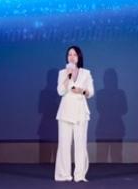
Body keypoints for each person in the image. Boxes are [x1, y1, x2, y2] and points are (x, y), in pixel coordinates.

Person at [54, 45, 95, 182]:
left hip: (80, 112)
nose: (71, 57)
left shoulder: (86, 73)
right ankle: (64, 174)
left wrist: (81, 91)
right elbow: (60, 91)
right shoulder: (62, 73)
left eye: (74, 54)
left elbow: (91, 92)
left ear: (79, 57)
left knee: (80, 144)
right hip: (65, 112)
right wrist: (68, 76)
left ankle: (79, 175)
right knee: (64, 144)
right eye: (69, 54)